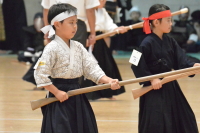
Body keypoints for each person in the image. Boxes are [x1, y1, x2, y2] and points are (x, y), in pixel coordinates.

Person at [34, 3, 120, 133]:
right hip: (59, 97)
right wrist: (56, 92)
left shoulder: (78, 47)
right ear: (57, 24)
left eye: (76, 22)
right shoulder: (51, 48)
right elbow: (40, 74)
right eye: (71, 23)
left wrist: (108, 81)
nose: (75, 27)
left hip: (76, 94)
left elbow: (91, 68)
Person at [131, 4, 200, 133]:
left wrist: (192, 66)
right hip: (154, 89)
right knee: (157, 122)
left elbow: (181, 59)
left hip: (169, 86)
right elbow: (134, 63)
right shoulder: (145, 42)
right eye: (168, 20)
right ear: (156, 22)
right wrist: (151, 79)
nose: (171, 23)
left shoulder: (170, 41)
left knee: (186, 117)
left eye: (171, 20)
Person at [81, 0, 126, 100]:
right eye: (102, 0)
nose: (104, 2)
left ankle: (107, 92)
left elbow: (109, 25)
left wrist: (116, 29)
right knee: (88, 67)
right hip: (86, 39)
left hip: (99, 40)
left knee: (106, 66)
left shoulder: (103, 12)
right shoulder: (86, 10)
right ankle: (89, 94)